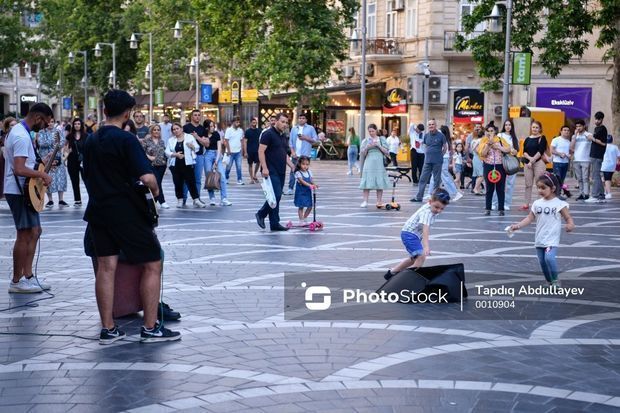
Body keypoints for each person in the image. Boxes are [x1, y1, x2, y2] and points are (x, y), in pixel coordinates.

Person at [83, 89, 180, 344]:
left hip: (98, 211)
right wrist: (155, 191)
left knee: (106, 268)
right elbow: (147, 178)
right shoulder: (126, 140)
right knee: (152, 263)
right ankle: (150, 327)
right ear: (128, 114)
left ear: (105, 110)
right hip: (126, 212)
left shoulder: (91, 140)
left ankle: (108, 328)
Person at [4, 104, 54, 294]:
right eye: (46, 123)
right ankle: (17, 281)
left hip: (24, 190)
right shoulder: (21, 136)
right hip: (19, 191)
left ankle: (28, 276)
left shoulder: (20, 132)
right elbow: (19, 168)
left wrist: (41, 165)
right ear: (38, 118)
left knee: (35, 231)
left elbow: (26, 164)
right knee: (24, 234)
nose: (45, 127)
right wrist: (42, 175)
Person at [510, 173, 575, 287]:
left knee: (549, 258)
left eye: (543, 188)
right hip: (539, 238)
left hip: (551, 239)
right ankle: (549, 281)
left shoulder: (559, 204)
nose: (540, 190)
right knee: (542, 261)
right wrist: (518, 225)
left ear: (553, 188)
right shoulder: (537, 203)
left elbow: (568, 217)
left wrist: (570, 224)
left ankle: (555, 280)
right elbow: (530, 218)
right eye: (538, 187)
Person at [383, 188, 450, 280]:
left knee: (414, 259)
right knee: (421, 257)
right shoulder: (427, 212)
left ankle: (392, 273)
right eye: (436, 207)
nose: (438, 210)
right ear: (430, 202)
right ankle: (404, 279)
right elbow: (425, 229)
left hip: (412, 234)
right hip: (410, 235)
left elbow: (436, 194)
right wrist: (426, 247)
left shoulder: (431, 205)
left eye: (442, 208)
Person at [255, 113, 295, 231]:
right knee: (276, 195)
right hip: (270, 170)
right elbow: (261, 151)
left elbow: (284, 154)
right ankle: (261, 214)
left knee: (277, 197)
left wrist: (292, 166)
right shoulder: (268, 134)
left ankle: (274, 223)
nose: (285, 124)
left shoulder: (283, 136)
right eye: (282, 122)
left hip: (281, 170)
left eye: (286, 122)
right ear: (276, 121)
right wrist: (264, 168)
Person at [165, 122, 206, 208]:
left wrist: (192, 146)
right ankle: (180, 200)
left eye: (177, 128)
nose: (176, 131)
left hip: (187, 163)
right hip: (175, 164)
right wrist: (175, 154)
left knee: (191, 182)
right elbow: (167, 152)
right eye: (174, 129)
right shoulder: (171, 140)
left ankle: (196, 200)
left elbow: (197, 147)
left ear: (181, 129)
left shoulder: (189, 137)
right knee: (178, 183)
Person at [410, 119, 447, 202]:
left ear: (435, 125)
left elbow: (445, 147)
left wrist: (440, 155)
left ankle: (435, 198)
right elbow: (426, 146)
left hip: (437, 161)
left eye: (432, 124)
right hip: (427, 161)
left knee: (436, 180)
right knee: (422, 179)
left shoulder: (441, 135)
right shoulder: (426, 135)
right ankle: (419, 197)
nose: (431, 126)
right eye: (429, 125)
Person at [479, 123, 510, 215]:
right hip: (488, 166)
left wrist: (499, 147)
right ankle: (488, 208)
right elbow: (482, 154)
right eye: (488, 131)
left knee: (500, 188)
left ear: (495, 131)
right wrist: (488, 145)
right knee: (489, 188)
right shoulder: (484, 140)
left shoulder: (500, 139)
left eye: (491, 131)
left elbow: (508, 149)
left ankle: (501, 209)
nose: (490, 133)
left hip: (500, 166)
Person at [36, 118, 68, 208]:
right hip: (46, 159)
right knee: (47, 177)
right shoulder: (41, 132)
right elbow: (41, 143)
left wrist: (57, 144)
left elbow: (62, 142)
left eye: (52, 122)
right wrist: (53, 142)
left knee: (61, 178)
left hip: (57, 157)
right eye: (49, 122)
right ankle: (50, 200)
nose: (50, 124)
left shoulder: (58, 131)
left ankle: (61, 200)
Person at [427, 125, 462, 201]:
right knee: (434, 176)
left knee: (445, 177)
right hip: (440, 159)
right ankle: (430, 193)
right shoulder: (444, 140)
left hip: (442, 159)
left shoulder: (443, 140)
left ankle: (455, 193)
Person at [359, 123, 390, 208]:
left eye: (372, 131)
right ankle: (365, 201)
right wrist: (367, 147)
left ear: (376, 130)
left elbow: (387, 152)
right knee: (367, 181)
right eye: (369, 131)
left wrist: (378, 145)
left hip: (379, 162)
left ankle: (379, 201)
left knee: (379, 182)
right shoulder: (366, 140)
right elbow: (363, 153)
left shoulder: (381, 139)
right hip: (369, 161)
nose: (371, 133)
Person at [287, 113, 318, 194]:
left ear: (306, 120)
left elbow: (315, 140)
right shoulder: (294, 128)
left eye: (303, 118)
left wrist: (305, 138)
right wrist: (292, 152)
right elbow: (290, 142)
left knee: (305, 172)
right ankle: (290, 188)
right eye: (300, 118)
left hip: (305, 155)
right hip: (295, 154)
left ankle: (305, 187)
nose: (301, 119)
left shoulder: (310, 128)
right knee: (293, 170)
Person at [203, 119, 231, 206]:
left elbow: (219, 148)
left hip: (217, 155)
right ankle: (212, 198)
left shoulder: (216, 134)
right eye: (210, 126)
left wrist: (216, 160)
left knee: (222, 176)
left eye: (213, 126)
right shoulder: (204, 134)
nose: (212, 128)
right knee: (209, 176)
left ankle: (224, 198)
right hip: (207, 155)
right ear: (207, 127)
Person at [493, 119, 520, 210]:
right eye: (506, 125)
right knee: (498, 183)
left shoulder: (514, 137)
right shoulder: (499, 135)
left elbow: (516, 150)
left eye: (509, 125)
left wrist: (514, 151)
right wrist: (505, 149)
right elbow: (495, 147)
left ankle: (507, 203)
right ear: (504, 126)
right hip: (500, 161)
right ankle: (494, 202)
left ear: (512, 126)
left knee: (510, 184)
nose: (508, 127)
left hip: (511, 162)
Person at [520, 121, 547, 210]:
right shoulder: (527, 139)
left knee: (540, 184)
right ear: (531, 128)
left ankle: (540, 203)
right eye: (533, 127)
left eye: (536, 127)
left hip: (539, 163)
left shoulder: (542, 138)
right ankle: (526, 203)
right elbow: (524, 152)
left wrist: (532, 161)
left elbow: (540, 151)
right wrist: (529, 159)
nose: (535, 129)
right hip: (527, 164)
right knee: (528, 184)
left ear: (540, 129)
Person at [142, 124, 169, 209]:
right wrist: (149, 157)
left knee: (158, 183)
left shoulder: (162, 141)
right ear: (151, 131)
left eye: (158, 130)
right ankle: (162, 201)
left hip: (162, 165)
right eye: (155, 130)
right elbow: (141, 152)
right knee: (156, 183)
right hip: (151, 165)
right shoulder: (147, 141)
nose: (156, 131)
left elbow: (165, 152)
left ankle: (154, 201)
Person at [183, 109, 209, 198]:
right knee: (186, 178)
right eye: (195, 115)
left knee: (198, 179)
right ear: (191, 116)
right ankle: (183, 199)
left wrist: (197, 137)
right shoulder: (185, 128)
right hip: (188, 156)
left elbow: (206, 144)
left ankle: (197, 199)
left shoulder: (203, 129)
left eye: (198, 115)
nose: (197, 117)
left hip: (199, 155)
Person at [586, 111, 608, 202]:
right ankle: (601, 195)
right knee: (597, 175)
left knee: (595, 176)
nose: (596, 121)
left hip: (597, 155)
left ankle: (595, 196)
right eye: (596, 119)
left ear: (602, 119)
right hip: (594, 155)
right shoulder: (596, 128)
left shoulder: (602, 129)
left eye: (598, 119)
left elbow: (603, 143)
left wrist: (592, 138)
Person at [65, 117, 87, 207]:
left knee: (87, 180)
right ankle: (77, 200)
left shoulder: (86, 136)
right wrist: (67, 151)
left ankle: (92, 197)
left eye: (78, 124)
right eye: (75, 124)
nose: (77, 125)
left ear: (81, 125)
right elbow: (65, 147)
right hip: (72, 160)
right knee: (74, 180)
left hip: (83, 161)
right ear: (73, 125)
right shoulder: (70, 136)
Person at [570, 119, 592, 201]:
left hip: (586, 159)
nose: (578, 128)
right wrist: (575, 136)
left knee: (585, 178)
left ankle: (586, 194)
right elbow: (571, 148)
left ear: (584, 126)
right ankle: (581, 194)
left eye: (580, 126)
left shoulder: (588, 135)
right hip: (576, 159)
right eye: (577, 126)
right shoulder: (574, 136)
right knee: (579, 178)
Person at [294, 155, 317, 225]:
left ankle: (305, 218)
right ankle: (301, 220)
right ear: (299, 164)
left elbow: (311, 180)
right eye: (303, 164)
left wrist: (314, 184)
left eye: (307, 164)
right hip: (300, 193)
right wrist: (310, 185)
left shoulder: (309, 172)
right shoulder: (298, 173)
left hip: (307, 192)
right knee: (301, 206)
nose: (305, 166)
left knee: (310, 206)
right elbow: (302, 181)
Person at [550, 125, 572, 200]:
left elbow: (570, 152)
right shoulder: (556, 140)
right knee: (557, 179)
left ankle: (558, 194)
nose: (566, 132)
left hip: (565, 163)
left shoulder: (569, 142)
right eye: (564, 130)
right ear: (561, 131)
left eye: (568, 130)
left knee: (562, 179)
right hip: (557, 162)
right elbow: (552, 150)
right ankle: (556, 195)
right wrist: (560, 154)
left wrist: (569, 156)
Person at [224, 116, 245, 185]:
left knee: (239, 166)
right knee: (228, 167)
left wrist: (242, 151)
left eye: (238, 122)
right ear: (233, 122)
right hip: (230, 152)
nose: (238, 123)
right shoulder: (228, 130)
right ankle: (226, 178)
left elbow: (242, 141)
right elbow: (226, 141)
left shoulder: (240, 130)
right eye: (236, 122)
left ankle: (239, 179)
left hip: (238, 152)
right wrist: (228, 151)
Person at [1, 117, 18, 199]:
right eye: (12, 125)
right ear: (7, 127)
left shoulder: (17, 136)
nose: (14, 127)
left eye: (15, 125)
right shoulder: (6, 137)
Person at [601, 135, 620, 200]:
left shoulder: (603, 146)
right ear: (612, 140)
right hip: (612, 165)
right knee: (607, 179)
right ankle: (606, 192)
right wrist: (617, 162)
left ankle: (608, 193)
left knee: (606, 179)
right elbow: (618, 156)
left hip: (605, 165)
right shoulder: (615, 147)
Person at [244, 117, 261, 184]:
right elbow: (245, 142)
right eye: (253, 122)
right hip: (250, 150)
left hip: (257, 150)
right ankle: (251, 179)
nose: (254, 123)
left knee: (258, 163)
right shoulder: (247, 131)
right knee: (250, 164)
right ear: (251, 123)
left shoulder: (259, 131)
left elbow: (261, 141)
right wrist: (245, 152)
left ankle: (254, 174)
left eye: (255, 122)